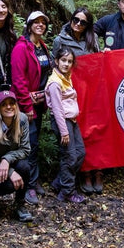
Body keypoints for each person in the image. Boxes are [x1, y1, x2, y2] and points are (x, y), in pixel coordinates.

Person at [52, 7, 102, 193]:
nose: (78, 24)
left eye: (83, 22)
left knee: (93, 131)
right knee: (74, 138)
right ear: (71, 19)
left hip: (91, 92)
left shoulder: (93, 39)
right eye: (76, 20)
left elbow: (98, 63)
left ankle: (96, 171)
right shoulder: (60, 40)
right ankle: (77, 177)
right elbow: (54, 64)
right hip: (70, 93)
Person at [10, 10, 52, 205]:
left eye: (43, 22)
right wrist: (27, 106)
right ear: (29, 25)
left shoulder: (41, 46)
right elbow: (18, 81)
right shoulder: (21, 47)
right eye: (36, 22)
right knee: (28, 146)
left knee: (34, 144)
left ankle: (34, 181)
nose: (40, 25)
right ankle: (27, 186)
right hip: (27, 106)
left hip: (39, 104)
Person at [0, 90, 34, 222]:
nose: (9, 107)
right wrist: (10, 172)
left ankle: (19, 205)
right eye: (4, 104)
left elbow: (26, 149)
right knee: (9, 185)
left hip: (8, 162)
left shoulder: (22, 120)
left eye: (11, 103)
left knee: (25, 167)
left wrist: (7, 159)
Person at [45, 48, 86, 204]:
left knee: (80, 152)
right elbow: (57, 109)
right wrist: (64, 132)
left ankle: (59, 182)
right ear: (57, 61)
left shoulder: (65, 78)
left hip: (72, 120)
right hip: (63, 122)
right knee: (69, 156)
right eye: (63, 60)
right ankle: (67, 192)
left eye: (69, 61)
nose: (67, 64)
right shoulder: (55, 82)